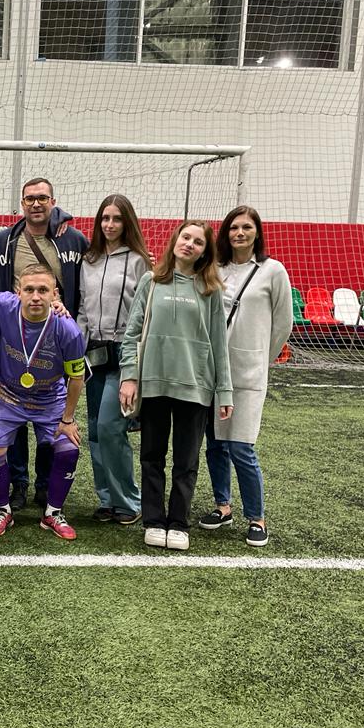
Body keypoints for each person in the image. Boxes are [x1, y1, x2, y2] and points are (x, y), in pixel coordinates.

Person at [119, 220, 233, 552]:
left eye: (198, 242)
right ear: (175, 240)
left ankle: (179, 523)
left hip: (196, 386)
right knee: (151, 457)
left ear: (205, 252)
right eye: (186, 237)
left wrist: (224, 390)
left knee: (186, 461)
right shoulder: (151, 281)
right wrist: (129, 376)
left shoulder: (210, 288)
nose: (190, 244)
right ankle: (154, 520)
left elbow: (219, 343)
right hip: (153, 384)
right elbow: (132, 333)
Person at [0, 178, 88, 510]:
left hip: (52, 335)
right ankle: (18, 484)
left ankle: (45, 486)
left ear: (53, 202)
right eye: (30, 198)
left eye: (43, 198)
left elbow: (88, 275)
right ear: (22, 203)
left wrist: (64, 311)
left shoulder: (73, 239)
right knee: (10, 428)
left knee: (53, 429)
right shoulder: (2, 240)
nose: (36, 203)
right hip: (15, 337)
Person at [0, 265, 86, 539]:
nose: (36, 296)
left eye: (43, 290)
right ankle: (2, 509)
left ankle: (53, 512)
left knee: (68, 449)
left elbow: (76, 378)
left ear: (54, 294)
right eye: (29, 289)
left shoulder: (68, 329)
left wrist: (67, 419)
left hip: (50, 398)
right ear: (18, 292)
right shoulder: (5, 305)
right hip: (8, 396)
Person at [199, 206, 292, 548]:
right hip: (213, 371)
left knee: (241, 447)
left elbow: (283, 323)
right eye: (234, 227)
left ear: (257, 232)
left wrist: (261, 359)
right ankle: (223, 506)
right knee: (215, 444)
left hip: (249, 373)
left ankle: (256, 517)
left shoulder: (272, 271)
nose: (239, 233)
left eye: (246, 227)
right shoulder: (216, 268)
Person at [76, 194, 151, 526]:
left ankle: (129, 501)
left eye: (117, 219)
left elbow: (145, 311)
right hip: (93, 352)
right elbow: (82, 308)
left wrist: (136, 358)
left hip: (124, 352)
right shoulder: (88, 260)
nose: (109, 224)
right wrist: (77, 346)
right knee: (95, 429)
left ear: (127, 222)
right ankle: (107, 499)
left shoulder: (139, 261)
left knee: (110, 427)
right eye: (105, 218)